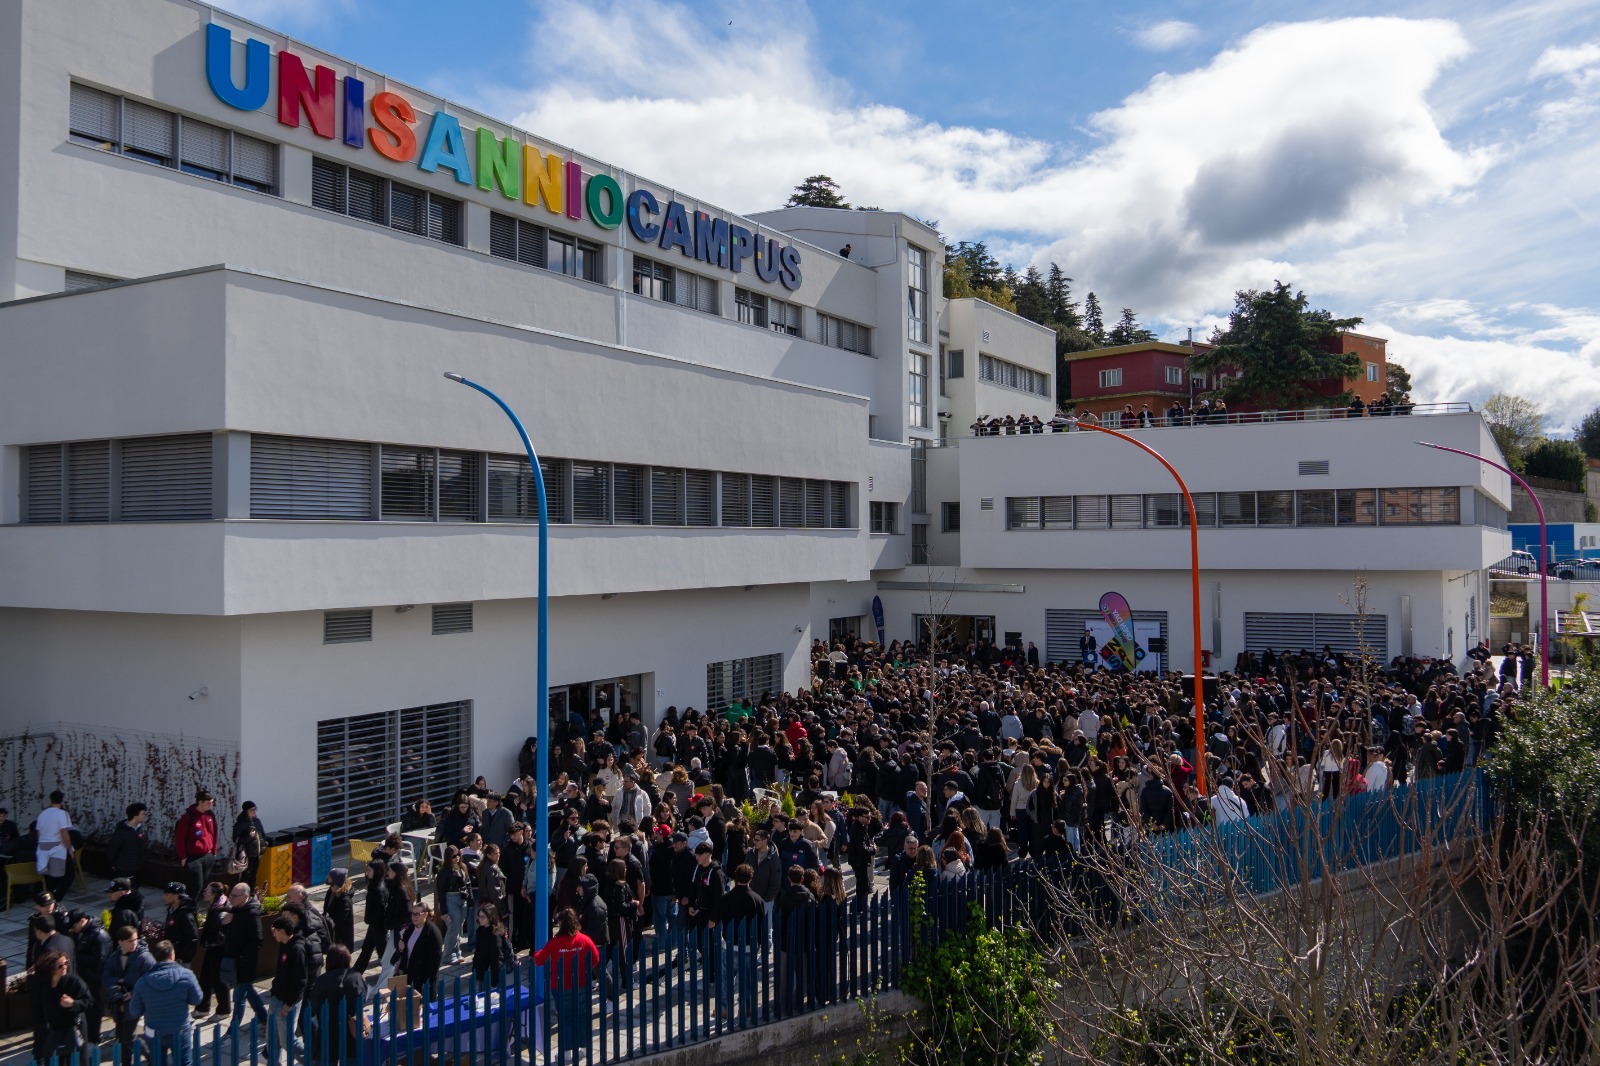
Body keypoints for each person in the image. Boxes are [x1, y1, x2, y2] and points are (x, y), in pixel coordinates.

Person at [533, 908, 600, 1063]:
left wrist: (537, 952)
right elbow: (596, 959)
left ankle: (566, 1051)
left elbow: (539, 960)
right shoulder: (584, 940)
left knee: (565, 1018)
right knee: (582, 1015)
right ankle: (584, 1047)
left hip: (560, 986)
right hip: (581, 984)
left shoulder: (554, 943)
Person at [127, 940, 203, 1066]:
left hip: (154, 1031)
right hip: (179, 1029)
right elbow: (197, 999)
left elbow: (135, 1011)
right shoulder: (187, 975)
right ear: (172, 955)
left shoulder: (142, 982)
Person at [713, 863, 766, 1021]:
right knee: (748, 981)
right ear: (751, 877)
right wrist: (759, 944)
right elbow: (761, 925)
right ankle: (747, 1007)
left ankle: (724, 1009)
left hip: (730, 944)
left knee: (726, 980)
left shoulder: (726, 898)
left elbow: (716, 918)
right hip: (750, 946)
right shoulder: (757, 899)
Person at [305, 944, 368, 1065]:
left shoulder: (321, 981)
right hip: (352, 1031)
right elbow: (363, 998)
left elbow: (313, 1006)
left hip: (328, 1033)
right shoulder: (356, 977)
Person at [221, 881, 268, 1035]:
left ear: (245, 896)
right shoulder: (235, 910)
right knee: (249, 990)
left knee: (239, 997)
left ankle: (232, 1031)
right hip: (234, 960)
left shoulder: (251, 913)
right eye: (231, 895)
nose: (231, 898)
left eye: (234, 896)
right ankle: (264, 1018)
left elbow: (257, 940)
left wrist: (243, 957)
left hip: (244, 963)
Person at [104, 924, 156, 1061]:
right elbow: (106, 974)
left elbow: (150, 979)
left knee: (127, 1038)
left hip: (134, 1003)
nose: (134, 943)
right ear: (120, 942)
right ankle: (151, 1059)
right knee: (123, 1036)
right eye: (130, 941)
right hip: (119, 1003)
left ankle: (148, 1059)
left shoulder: (144, 957)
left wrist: (133, 992)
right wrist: (117, 984)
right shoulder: (115, 956)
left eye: (136, 939)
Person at [32, 948, 93, 1064]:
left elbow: (89, 1001)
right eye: (60, 965)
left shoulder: (74, 981)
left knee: (78, 1059)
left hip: (74, 1027)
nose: (64, 967)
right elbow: (38, 1007)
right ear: (50, 968)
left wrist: (73, 1003)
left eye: (66, 963)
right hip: (54, 1029)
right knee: (52, 1058)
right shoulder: (44, 985)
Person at [266, 914, 311, 1064]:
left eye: (275, 931)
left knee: (287, 1041)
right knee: (272, 1039)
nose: (273, 934)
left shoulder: (297, 949)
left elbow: (300, 980)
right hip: (277, 998)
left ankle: (312, 1061)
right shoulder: (284, 944)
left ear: (282, 931)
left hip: (287, 1002)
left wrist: (288, 1004)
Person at [174, 791, 220, 897]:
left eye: (212, 803)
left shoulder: (210, 815)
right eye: (208, 803)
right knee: (196, 886)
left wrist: (214, 851)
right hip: (193, 858)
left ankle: (198, 907)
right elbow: (179, 839)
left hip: (208, 855)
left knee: (204, 885)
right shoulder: (188, 817)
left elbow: (214, 833)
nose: (211, 805)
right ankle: (191, 909)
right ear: (200, 802)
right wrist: (183, 857)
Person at [35, 789, 75, 901]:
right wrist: (69, 849)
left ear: (50, 800)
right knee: (69, 874)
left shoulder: (43, 814)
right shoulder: (62, 814)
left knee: (50, 877)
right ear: (62, 800)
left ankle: (49, 899)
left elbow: (38, 832)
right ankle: (56, 899)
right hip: (58, 848)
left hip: (44, 846)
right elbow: (64, 833)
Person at [399, 901, 444, 1000]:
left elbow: (435, 961)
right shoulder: (410, 928)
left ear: (425, 915)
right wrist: (401, 948)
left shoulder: (433, 933)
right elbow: (406, 950)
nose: (414, 917)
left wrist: (427, 982)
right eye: (412, 914)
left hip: (423, 979)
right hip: (410, 976)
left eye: (417, 914)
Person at [435, 845, 472, 965]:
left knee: (459, 927)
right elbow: (440, 892)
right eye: (454, 856)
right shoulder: (444, 872)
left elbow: (468, 884)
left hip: (462, 899)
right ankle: (447, 955)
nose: (457, 858)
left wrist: (470, 899)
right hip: (451, 899)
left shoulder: (463, 867)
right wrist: (443, 911)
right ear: (448, 858)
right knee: (453, 927)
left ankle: (456, 951)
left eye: (458, 855)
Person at [107, 802, 150, 887]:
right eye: (142, 814)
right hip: (124, 868)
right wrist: (112, 864)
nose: (144, 816)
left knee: (134, 889)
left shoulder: (138, 829)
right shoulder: (122, 831)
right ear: (135, 815)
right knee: (126, 891)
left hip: (136, 867)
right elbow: (112, 849)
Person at [471, 902, 515, 988]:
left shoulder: (495, 935)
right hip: (482, 970)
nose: (480, 919)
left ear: (490, 917)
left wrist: (494, 980)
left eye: (483, 917)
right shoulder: (481, 930)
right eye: (479, 916)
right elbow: (479, 951)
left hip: (490, 973)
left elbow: (497, 957)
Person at [162, 881, 201, 964]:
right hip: (172, 955)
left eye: (166, 895)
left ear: (176, 896)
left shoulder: (186, 915)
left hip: (180, 959)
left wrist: (182, 957)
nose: (163, 897)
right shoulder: (172, 910)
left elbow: (192, 938)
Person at [233, 801, 267, 891]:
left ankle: (251, 893)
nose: (254, 811)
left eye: (255, 809)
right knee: (245, 875)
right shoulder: (241, 823)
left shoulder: (257, 821)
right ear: (246, 811)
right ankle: (242, 893)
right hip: (247, 854)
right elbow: (236, 839)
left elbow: (262, 834)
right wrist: (248, 836)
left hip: (257, 853)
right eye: (251, 810)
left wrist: (265, 844)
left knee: (253, 875)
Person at [325, 868, 356, 951]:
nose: (327, 877)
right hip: (333, 936)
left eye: (330, 876)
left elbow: (339, 922)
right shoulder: (331, 892)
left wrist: (325, 919)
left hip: (341, 941)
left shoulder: (344, 900)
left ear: (335, 881)